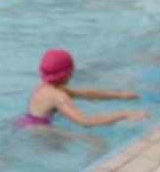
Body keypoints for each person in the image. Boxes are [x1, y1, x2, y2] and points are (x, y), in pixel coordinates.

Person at [16, 49, 149, 128]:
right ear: (68, 73)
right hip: (38, 130)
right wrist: (125, 114)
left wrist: (119, 95)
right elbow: (85, 121)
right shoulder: (59, 96)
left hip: (24, 122)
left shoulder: (46, 88)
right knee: (96, 141)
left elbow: (88, 93)